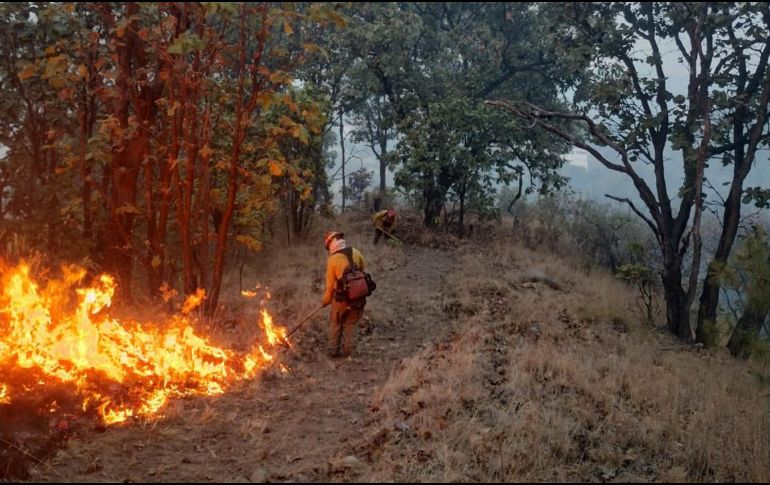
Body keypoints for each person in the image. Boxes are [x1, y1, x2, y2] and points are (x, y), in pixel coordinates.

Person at [322, 231, 366, 358]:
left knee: (336, 322)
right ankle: (349, 352)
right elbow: (363, 268)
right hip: (358, 298)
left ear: (331, 244)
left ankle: (333, 351)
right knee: (351, 324)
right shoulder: (356, 252)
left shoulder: (332, 260)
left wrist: (325, 301)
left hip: (340, 300)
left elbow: (330, 287)